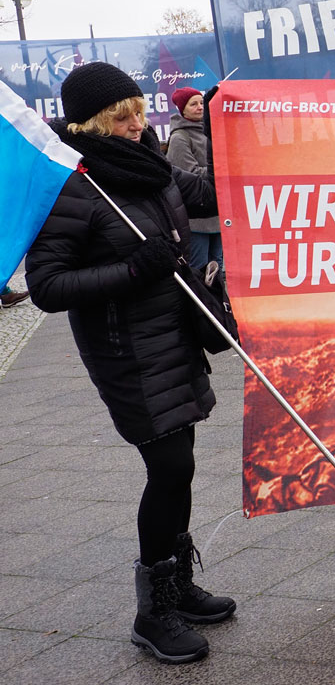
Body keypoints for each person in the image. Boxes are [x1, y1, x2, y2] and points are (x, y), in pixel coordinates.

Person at [24, 63, 234, 664]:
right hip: (126, 352)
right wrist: (135, 269)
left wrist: (229, 128)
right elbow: (49, 286)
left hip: (173, 337)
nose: (139, 124)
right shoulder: (75, 184)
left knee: (182, 464)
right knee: (167, 466)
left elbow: (209, 192)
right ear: (91, 122)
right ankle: (153, 611)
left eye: (141, 111)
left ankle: (179, 586)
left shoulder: (150, 164)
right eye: (124, 117)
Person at [166, 87, 223, 271]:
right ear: (182, 109)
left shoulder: (213, 131)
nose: (200, 107)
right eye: (193, 104)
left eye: (201, 103)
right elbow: (189, 174)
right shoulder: (179, 138)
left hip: (218, 215)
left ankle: (217, 300)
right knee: (199, 270)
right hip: (196, 219)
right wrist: (221, 170)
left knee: (218, 269)